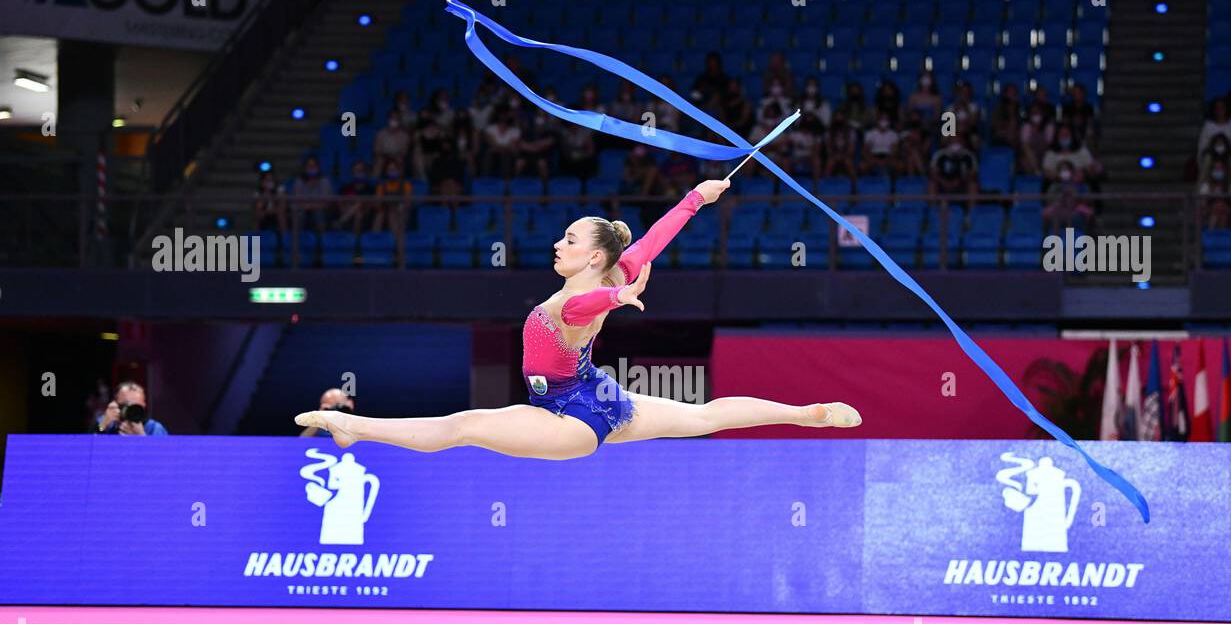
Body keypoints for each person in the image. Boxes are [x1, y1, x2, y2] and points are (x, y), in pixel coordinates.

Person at [296, 179, 861, 454]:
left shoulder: (575, 299)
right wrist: (696, 198)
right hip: (597, 395)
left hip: (572, 418)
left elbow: (584, 306)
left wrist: (617, 300)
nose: (558, 245)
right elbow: (657, 238)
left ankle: (351, 426)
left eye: (569, 239)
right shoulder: (616, 273)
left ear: (594, 255)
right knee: (705, 416)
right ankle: (805, 414)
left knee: (463, 427)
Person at [94, 381, 168, 436]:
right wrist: (102, 426)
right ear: (115, 404)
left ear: (144, 406)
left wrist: (141, 437)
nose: (131, 410)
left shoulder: (154, 428)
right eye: (126, 405)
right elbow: (91, 451)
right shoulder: (107, 424)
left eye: (136, 406)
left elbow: (161, 456)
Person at [335, 160, 374, 235]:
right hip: (346, 213)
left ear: (365, 173)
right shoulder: (345, 188)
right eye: (356, 171)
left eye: (361, 170)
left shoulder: (370, 189)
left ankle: (341, 222)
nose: (359, 173)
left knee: (359, 210)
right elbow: (340, 203)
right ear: (352, 173)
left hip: (364, 219)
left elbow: (370, 207)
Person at [371, 108, 411, 178]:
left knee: (400, 160)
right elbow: (377, 150)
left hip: (398, 157)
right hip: (384, 157)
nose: (394, 120)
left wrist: (397, 156)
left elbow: (404, 152)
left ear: (399, 120)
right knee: (379, 161)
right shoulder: (381, 133)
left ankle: (400, 186)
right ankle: (374, 184)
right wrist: (385, 156)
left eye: (396, 118)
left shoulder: (404, 135)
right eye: (392, 118)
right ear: (388, 119)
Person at [253, 170, 286, 235]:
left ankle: (285, 240)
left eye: (271, 180)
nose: (269, 183)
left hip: (276, 213)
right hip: (264, 214)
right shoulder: (258, 193)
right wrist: (266, 193)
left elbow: (282, 207)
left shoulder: (280, 190)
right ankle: (255, 243)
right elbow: (258, 208)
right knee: (257, 217)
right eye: (267, 180)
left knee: (281, 215)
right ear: (262, 182)